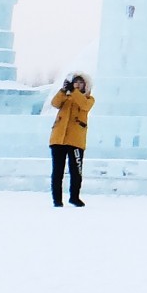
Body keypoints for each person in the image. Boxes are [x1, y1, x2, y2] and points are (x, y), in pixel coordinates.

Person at [48, 75, 92, 206]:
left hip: (76, 140)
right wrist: (63, 91)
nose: (77, 85)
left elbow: (84, 106)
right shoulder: (65, 98)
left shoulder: (88, 99)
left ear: (86, 85)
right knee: (57, 171)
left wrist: (74, 92)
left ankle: (74, 197)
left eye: (81, 83)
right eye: (75, 82)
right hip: (58, 139)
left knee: (76, 171)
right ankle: (57, 200)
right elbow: (55, 103)